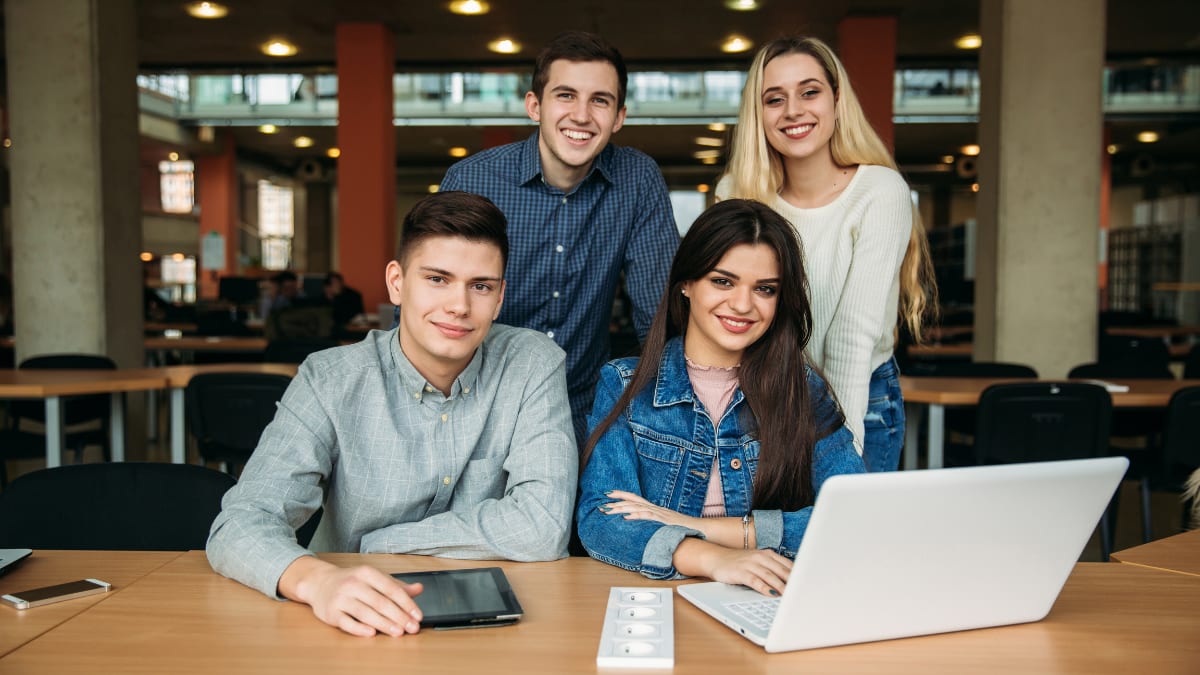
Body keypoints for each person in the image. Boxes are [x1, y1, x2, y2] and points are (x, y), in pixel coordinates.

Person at [207, 191, 578, 637]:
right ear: (397, 283)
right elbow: (241, 522)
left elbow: (544, 525)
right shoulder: (330, 378)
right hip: (347, 620)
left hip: (492, 624)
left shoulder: (533, 363)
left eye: (481, 285)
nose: (460, 305)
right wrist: (317, 578)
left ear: (500, 298)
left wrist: (379, 542)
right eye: (438, 279)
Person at [576, 199, 864, 596]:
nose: (743, 305)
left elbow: (854, 518)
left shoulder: (803, 389)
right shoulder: (625, 383)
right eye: (723, 281)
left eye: (765, 289)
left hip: (773, 596)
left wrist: (703, 528)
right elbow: (601, 520)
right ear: (686, 283)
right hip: (662, 595)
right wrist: (714, 558)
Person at [440, 30, 679, 446]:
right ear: (535, 105)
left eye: (599, 100)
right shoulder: (473, 179)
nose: (582, 116)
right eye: (566, 95)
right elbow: (436, 301)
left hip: (580, 410)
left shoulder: (636, 179)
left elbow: (659, 314)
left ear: (619, 116)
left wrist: (676, 415)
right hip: (474, 404)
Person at [717, 36, 937, 472]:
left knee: (849, 536)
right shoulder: (736, 195)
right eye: (774, 99)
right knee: (772, 539)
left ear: (837, 100)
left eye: (810, 92)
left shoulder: (879, 192)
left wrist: (838, 461)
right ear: (757, 114)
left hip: (859, 397)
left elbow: (851, 339)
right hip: (767, 395)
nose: (793, 110)